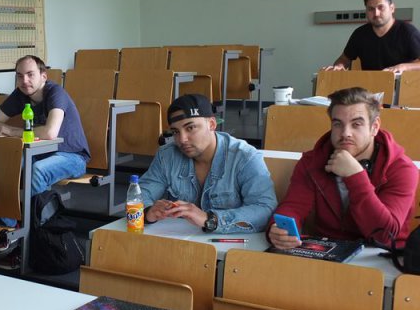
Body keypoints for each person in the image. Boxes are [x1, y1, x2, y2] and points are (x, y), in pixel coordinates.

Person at [268, 87, 418, 250]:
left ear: (374, 127)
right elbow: (293, 206)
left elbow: (384, 235)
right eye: (338, 124)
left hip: (382, 254)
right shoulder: (312, 161)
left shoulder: (402, 168)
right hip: (328, 251)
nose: (346, 133)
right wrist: (278, 230)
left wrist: (355, 176)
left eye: (356, 124)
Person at [141, 94, 277, 234]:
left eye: (190, 128)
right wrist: (148, 211)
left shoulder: (245, 157)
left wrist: (211, 219)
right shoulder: (166, 156)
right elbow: (140, 194)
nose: (182, 139)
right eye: (175, 132)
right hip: (179, 241)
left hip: (229, 244)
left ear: (211, 124)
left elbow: (264, 209)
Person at [0, 55, 90, 196]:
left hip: (72, 156)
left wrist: (11, 131)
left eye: (30, 74)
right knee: (9, 163)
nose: (24, 81)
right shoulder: (20, 94)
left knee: (38, 170)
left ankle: (34, 210)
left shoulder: (55, 93)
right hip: (39, 154)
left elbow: (50, 133)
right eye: (20, 76)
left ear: (43, 76)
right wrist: (5, 129)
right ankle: (8, 211)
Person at [324, 0, 420, 72]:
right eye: (371, 9)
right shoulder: (360, 34)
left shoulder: (408, 32)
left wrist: (403, 67)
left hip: (402, 85)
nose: (376, 13)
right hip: (369, 85)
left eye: (381, 7)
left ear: (392, 8)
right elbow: (344, 59)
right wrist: (339, 66)